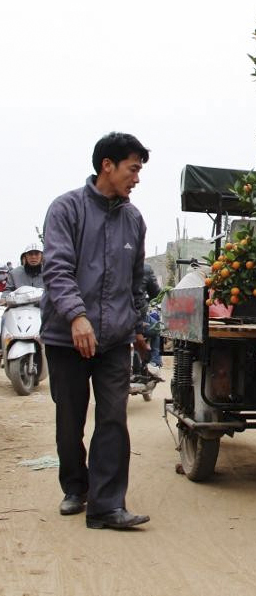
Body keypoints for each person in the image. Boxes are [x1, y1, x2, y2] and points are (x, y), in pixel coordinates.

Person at [41, 132, 151, 531]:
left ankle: (106, 506)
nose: (136, 179)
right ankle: (75, 486)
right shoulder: (66, 209)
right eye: (133, 169)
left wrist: (137, 326)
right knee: (70, 417)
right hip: (65, 336)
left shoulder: (134, 219)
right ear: (108, 165)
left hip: (114, 340)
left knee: (113, 419)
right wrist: (76, 316)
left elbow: (135, 281)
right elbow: (56, 268)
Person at [141, 263, 163, 379]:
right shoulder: (145, 268)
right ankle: (155, 362)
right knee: (157, 329)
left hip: (116, 319)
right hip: (138, 319)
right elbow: (156, 294)